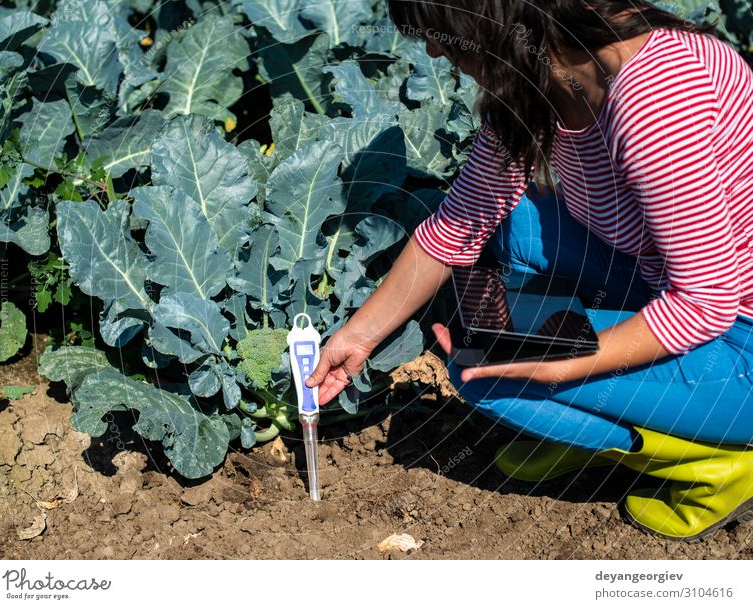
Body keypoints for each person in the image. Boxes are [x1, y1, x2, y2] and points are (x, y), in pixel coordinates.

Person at [304, 0, 753, 542]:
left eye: (442, 32)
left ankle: (717, 464)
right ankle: (609, 413)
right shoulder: (548, 74)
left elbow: (706, 301)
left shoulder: (658, 106)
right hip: (668, 279)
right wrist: (357, 337)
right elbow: (459, 225)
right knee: (515, 227)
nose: (433, 49)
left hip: (737, 339)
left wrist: (562, 365)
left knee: (484, 376)